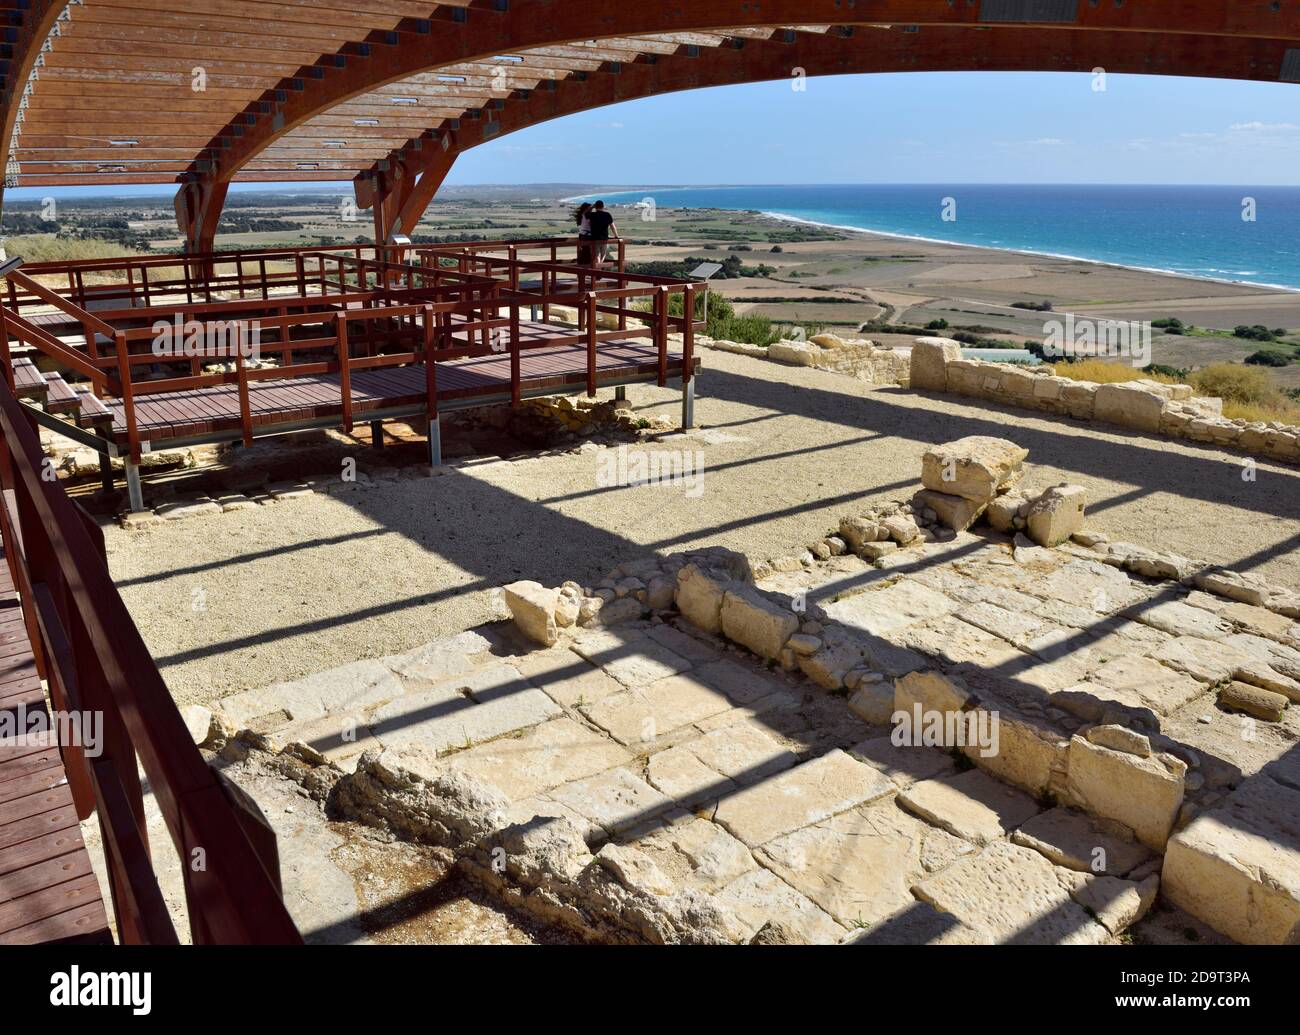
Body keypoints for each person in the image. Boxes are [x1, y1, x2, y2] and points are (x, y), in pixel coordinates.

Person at [586, 200, 618, 268]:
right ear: (603, 206)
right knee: (603, 255)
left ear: (596, 207)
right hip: (604, 239)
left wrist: (592, 207)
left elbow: (586, 213)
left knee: (596, 256)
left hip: (594, 239)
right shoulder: (607, 215)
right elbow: (613, 226)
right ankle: (599, 270)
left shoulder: (592, 215)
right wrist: (616, 236)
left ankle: (598, 270)